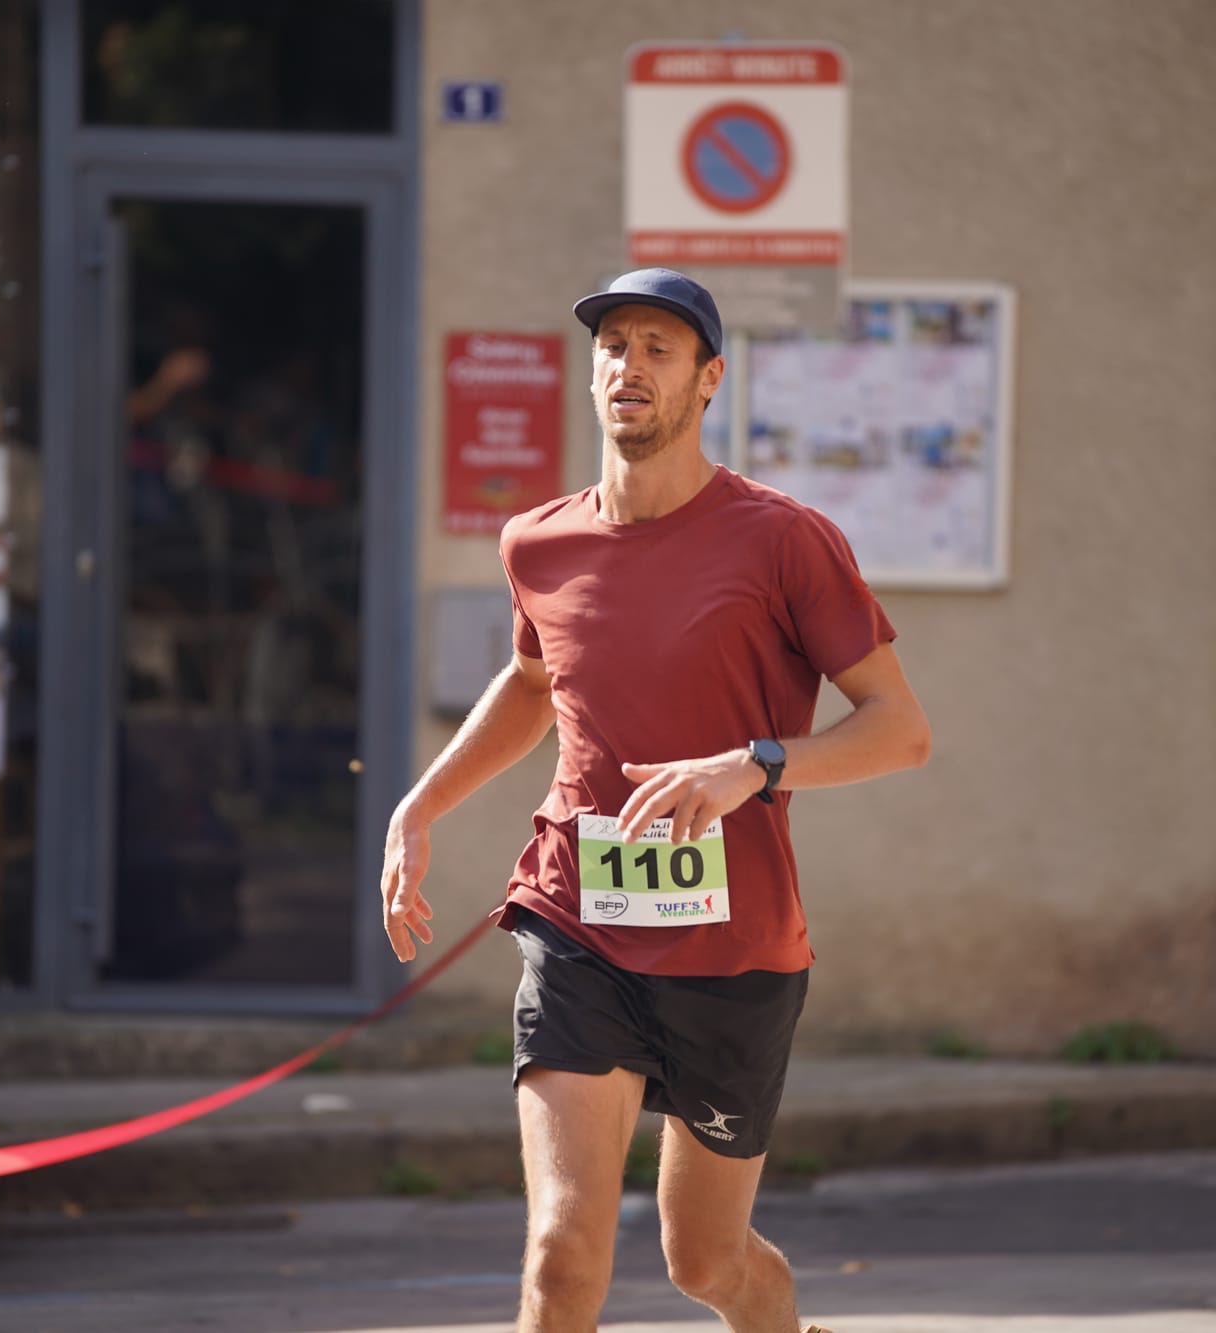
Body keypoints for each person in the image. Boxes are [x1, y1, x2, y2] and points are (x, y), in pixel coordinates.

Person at [379, 268, 932, 1333]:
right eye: (612, 345)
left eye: (657, 348)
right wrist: (420, 804)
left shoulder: (783, 541)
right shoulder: (537, 543)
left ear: (707, 379)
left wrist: (752, 765)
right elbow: (536, 682)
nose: (627, 365)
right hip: (577, 917)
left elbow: (898, 731)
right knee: (560, 1253)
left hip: (735, 947)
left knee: (704, 1261)